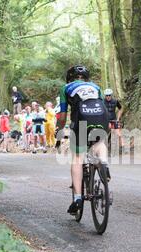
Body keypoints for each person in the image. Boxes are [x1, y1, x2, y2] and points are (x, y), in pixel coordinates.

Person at [57, 65, 110, 214]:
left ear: (70, 78)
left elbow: (62, 116)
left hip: (81, 121)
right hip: (100, 117)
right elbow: (101, 107)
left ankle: (78, 198)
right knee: (99, 142)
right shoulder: (96, 87)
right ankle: (104, 164)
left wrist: (59, 130)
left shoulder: (66, 88)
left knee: (78, 157)